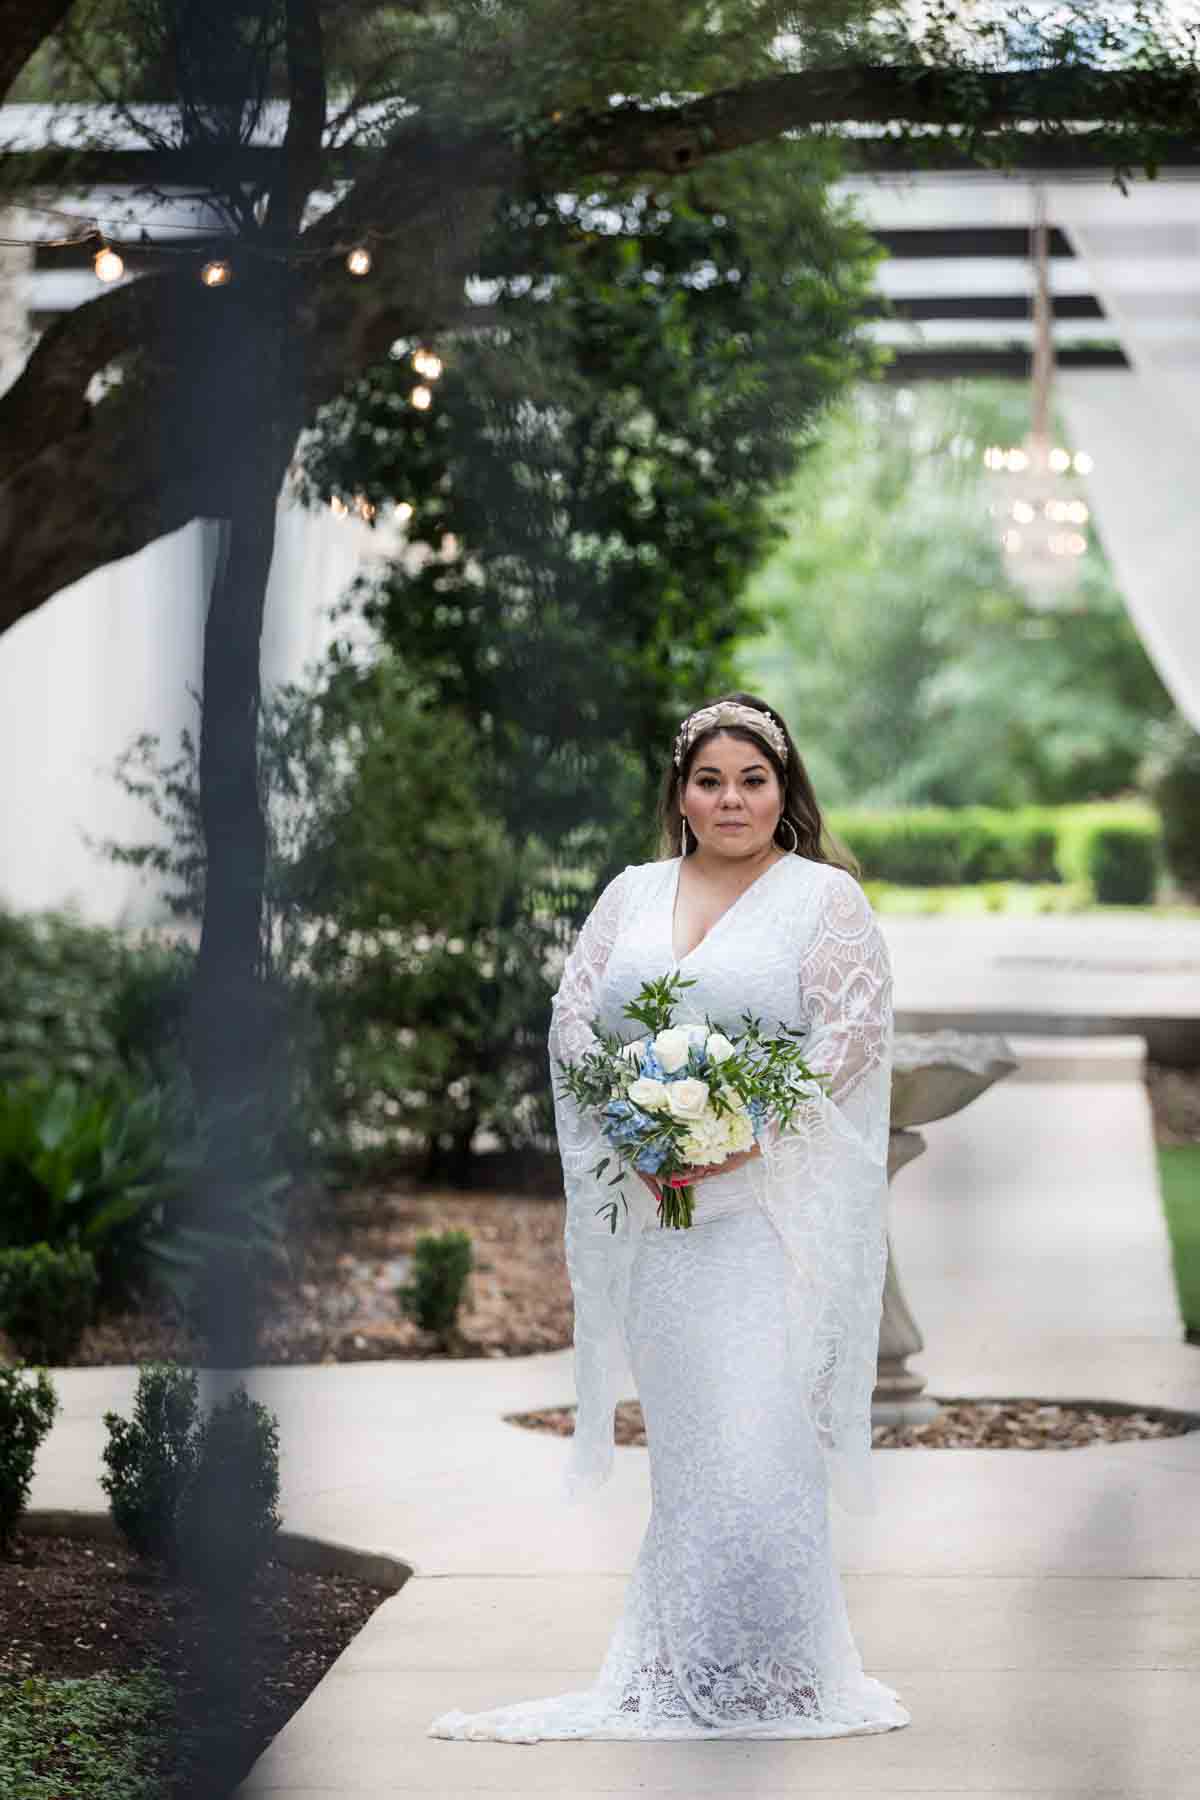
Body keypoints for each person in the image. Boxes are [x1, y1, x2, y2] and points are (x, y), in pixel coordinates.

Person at [428, 691, 911, 1742]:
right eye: (710, 780)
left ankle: (779, 1676)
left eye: (753, 779)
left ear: (783, 793)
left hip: (765, 1209)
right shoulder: (632, 893)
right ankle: (693, 1661)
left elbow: (852, 1034)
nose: (731, 798)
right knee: (695, 1450)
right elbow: (573, 1019)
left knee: (762, 1445)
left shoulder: (823, 900)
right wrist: (640, 1127)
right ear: (680, 795)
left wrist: (738, 1128)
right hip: (659, 1218)